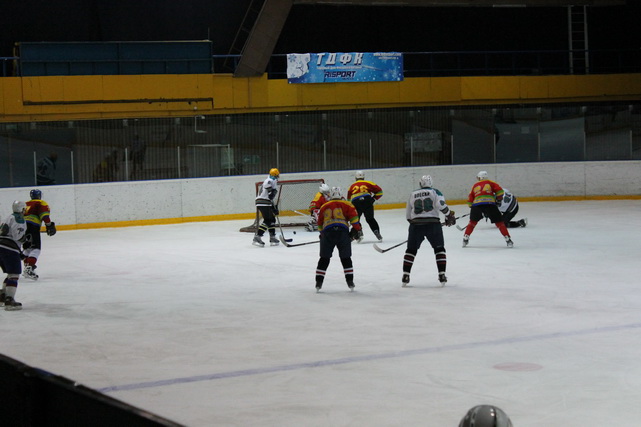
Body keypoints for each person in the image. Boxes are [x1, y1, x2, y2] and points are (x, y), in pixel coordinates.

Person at [402, 175, 456, 287]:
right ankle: (442, 275)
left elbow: (408, 215)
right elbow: (440, 205)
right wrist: (448, 215)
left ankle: (405, 275)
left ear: (420, 183)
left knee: (411, 250)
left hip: (416, 225)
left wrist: (415, 225)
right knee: (439, 249)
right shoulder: (435, 192)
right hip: (433, 225)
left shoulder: (413, 193)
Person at [315, 187, 363, 292]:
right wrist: (357, 229)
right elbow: (355, 220)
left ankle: (319, 282)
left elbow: (319, 223)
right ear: (341, 194)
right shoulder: (348, 204)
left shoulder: (324, 206)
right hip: (342, 233)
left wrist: (322, 234)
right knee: (346, 258)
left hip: (328, 233)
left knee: (324, 258)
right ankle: (350, 281)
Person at [462, 171, 513, 248]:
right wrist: (498, 199)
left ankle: (465, 238)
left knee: (472, 223)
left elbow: (470, 197)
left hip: (477, 205)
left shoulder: (475, 185)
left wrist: (471, 206)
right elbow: (500, 192)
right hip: (490, 204)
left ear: (480, 177)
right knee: (500, 223)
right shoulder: (491, 183)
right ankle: (508, 239)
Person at [22, 189, 56, 280]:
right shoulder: (41, 202)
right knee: (36, 249)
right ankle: (29, 269)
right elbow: (44, 215)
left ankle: (27, 267)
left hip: (22, 227)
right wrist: (49, 225)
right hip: (33, 227)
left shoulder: (25, 204)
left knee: (27, 248)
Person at [0, 201, 28, 311]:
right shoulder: (19, 219)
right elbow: (17, 236)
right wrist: (25, 240)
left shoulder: (9, 217)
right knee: (14, 275)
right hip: (9, 249)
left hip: (1, 247)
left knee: (10, 274)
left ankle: (2, 295)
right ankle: (9, 300)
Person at [347, 170, 383, 241]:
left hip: (356, 202)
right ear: (363, 177)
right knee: (370, 218)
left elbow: (348, 200)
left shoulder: (351, 186)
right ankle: (376, 231)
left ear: (355, 178)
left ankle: (358, 233)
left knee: (356, 220)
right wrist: (374, 198)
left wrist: (350, 209)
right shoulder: (369, 183)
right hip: (367, 201)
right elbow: (380, 192)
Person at [252, 168, 281, 247]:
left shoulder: (271, 180)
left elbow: (270, 197)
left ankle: (272, 237)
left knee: (272, 219)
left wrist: (273, 208)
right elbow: (267, 187)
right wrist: (271, 191)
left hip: (265, 202)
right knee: (268, 220)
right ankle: (257, 237)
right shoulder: (270, 180)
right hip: (263, 202)